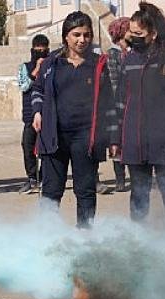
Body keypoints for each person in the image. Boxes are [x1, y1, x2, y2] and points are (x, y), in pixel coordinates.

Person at [31, 11, 118, 229]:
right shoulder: (51, 64)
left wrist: (113, 138)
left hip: (86, 137)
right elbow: (37, 90)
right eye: (76, 34)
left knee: (85, 191)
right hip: (55, 136)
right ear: (66, 37)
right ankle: (47, 236)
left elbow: (109, 103)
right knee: (51, 191)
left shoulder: (99, 65)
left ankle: (84, 238)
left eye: (87, 35)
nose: (82, 40)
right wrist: (37, 111)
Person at [113, 2, 165, 224]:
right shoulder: (128, 60)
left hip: (164, 140)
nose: (131, 36)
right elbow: (120, 100)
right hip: (134, 140)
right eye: (130, 32)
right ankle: (140, 237)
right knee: (138, 193)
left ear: (153, 33)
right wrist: (116, 137)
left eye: (138, 33)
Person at [16, 34, 49, 194]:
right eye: (38, 49)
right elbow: (23, 86)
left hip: (49, 114)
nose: (41, 52)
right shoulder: (24, 66)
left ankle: (44, 178)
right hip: (30, 115)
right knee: (27, 146)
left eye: (44, 50)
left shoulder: (52, 65)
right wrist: (36, 70)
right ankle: (32, 178)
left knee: (48, 149)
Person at [106, 17, 130, 192]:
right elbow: (113, 82)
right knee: (116, 142)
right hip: (117, 104)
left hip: (132, 103)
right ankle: (119, 178)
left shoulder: (133, 53)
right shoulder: (112, 55)